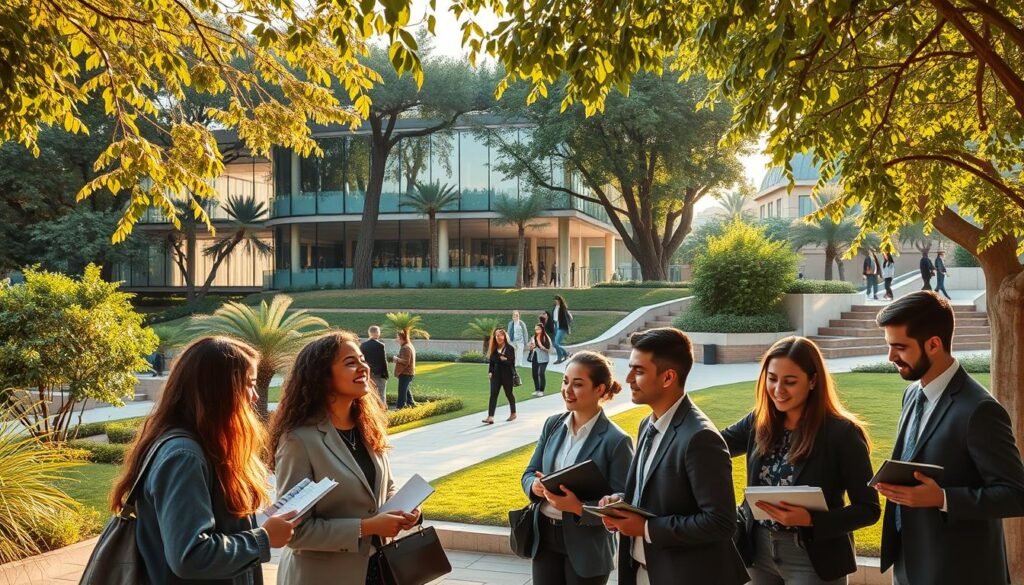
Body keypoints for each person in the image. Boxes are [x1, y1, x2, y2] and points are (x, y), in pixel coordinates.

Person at [109, 336, 297, 585]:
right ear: (218, 391)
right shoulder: (184, 456)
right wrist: (263, 538)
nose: (254, 397)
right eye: (249, 384)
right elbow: (191, 555)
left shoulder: (203, 447)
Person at [874, 292, 1024, 585]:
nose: (891, 357)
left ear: (933, 344)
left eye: (899, 347)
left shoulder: (980, 410)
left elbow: (1015, 495)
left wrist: (942, 498)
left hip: (960, 571)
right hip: (909, 565)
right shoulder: (912, 394)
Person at [721, 336, 880, 584]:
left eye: (790, 382)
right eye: (772, 379)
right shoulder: (758, 421)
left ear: (813, 380)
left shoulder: (842, 433)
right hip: (757, 550)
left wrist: (810, 520)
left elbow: (869, 510)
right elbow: (713, 446)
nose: (778, 390)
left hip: (813, 558)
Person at [598, 328, 747, 585]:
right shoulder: (647, 424)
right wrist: (621, 503)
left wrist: (645, 528)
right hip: (642, 571)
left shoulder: (701, 438)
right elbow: (660, 495)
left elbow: (721, 523)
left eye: (639, 370)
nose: (629, 378)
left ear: (667, 377)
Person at [270, 331, 420, 585]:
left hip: (377, 571)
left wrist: (406, 511)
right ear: (322, 377)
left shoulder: (367, 428)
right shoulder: (299, 440)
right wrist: (368, 526)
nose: (363, 367)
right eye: (350, 362)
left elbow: (386, 489)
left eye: (362, 359)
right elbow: (295, 531)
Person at [522, 351, 634, 585]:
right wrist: (535, 485)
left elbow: (624, 501)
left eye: (578, 384)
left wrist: (578, 507)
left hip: (588, 546)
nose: (567, 390)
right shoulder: (552, 425)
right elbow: (529, 472)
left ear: (600, 390)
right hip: (545, 539)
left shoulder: (616, 440)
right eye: (565, 382)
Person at [483, 328, 517, 424]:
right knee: (493, 395)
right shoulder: (493, 349)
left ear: (504, 336)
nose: (499, 337)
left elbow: (511, 363)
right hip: (495, 375)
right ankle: (490, 417)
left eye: (500, 335)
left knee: (509, 394)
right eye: (497, 335)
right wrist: (490, 372)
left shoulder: (510, 348)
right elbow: (492, 363)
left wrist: (504, 360)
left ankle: (513, 413)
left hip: (507, 375)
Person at [360, 325, 389, 407]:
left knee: (370, 394)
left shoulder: (363, 345)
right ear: (377, 333)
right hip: (379, 373)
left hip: (368, 373)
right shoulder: (380, 345)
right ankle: (382, 411)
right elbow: (383, 361)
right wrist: (386, 374)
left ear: (369, 333)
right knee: (381, 394)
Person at [391, 330, 417, 408]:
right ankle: (411, 403)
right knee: (406, 390)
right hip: (409, 372)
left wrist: (396, 359)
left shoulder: (405, 347)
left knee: (402, 391)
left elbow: (406, 361)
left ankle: (400, 407)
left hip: (406, 373)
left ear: (401, 338)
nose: (396, 339)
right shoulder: (408, 345)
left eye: (397, 337)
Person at [528, 323, 553, 398]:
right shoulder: (534, 337)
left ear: (542, 329)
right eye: (535, 329)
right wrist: (531, 346)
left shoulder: (546, 337)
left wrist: (542, 347)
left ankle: (542, 391)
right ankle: (537, 389)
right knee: (534, 373)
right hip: (535, 356)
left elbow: (550, 350)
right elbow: (530, 346)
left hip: (544, 358)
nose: (537, 331)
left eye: (538, 329)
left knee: (541, 373)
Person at [552, 295, 573, 364]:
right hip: (556, 326)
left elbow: (566, 320)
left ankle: (565, 354)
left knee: (556, 344)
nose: (555, 301)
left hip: (561, 327)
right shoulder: (555, 307)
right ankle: (561, 357)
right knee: (556, 344)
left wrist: (566, 328)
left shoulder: (563, 308)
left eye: (557, 300)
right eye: (555, 300)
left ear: (560, 300)